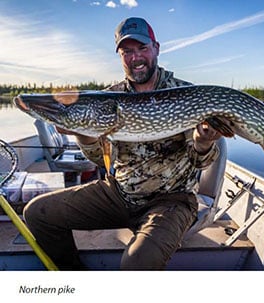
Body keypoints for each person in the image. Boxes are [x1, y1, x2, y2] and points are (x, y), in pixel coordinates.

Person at [23, 17, 222, 270]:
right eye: (127, 51)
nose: (135, 57)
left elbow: (201, 161)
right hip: (120, 193)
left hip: (171, 200)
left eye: (142, 48)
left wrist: (202, 142)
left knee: (136, 263)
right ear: (120, 56)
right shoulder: (108, 98)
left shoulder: (185, 94)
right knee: (37, 214)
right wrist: (84, 135)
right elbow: (100, 159)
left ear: (156, 48)